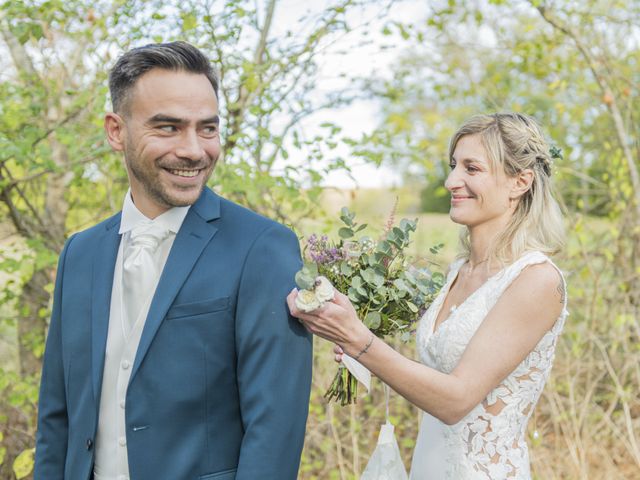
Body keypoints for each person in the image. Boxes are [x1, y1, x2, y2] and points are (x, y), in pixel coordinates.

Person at [35, 41, 312, 480]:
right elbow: (57, 414)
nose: (194, 150)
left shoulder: (263, 247)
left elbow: (275, 428)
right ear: (115, 130)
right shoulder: (79, 253)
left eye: (207, 128)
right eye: (168, 127)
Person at [288, 113, 568, 479]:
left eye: (472, 168)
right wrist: (360, 346)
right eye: (453, 166)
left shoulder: (536, 281)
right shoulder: (459, 271)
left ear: (520, 181)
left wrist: (359, 340)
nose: (453, 181)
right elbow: (435, 377)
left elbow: (455, 400)